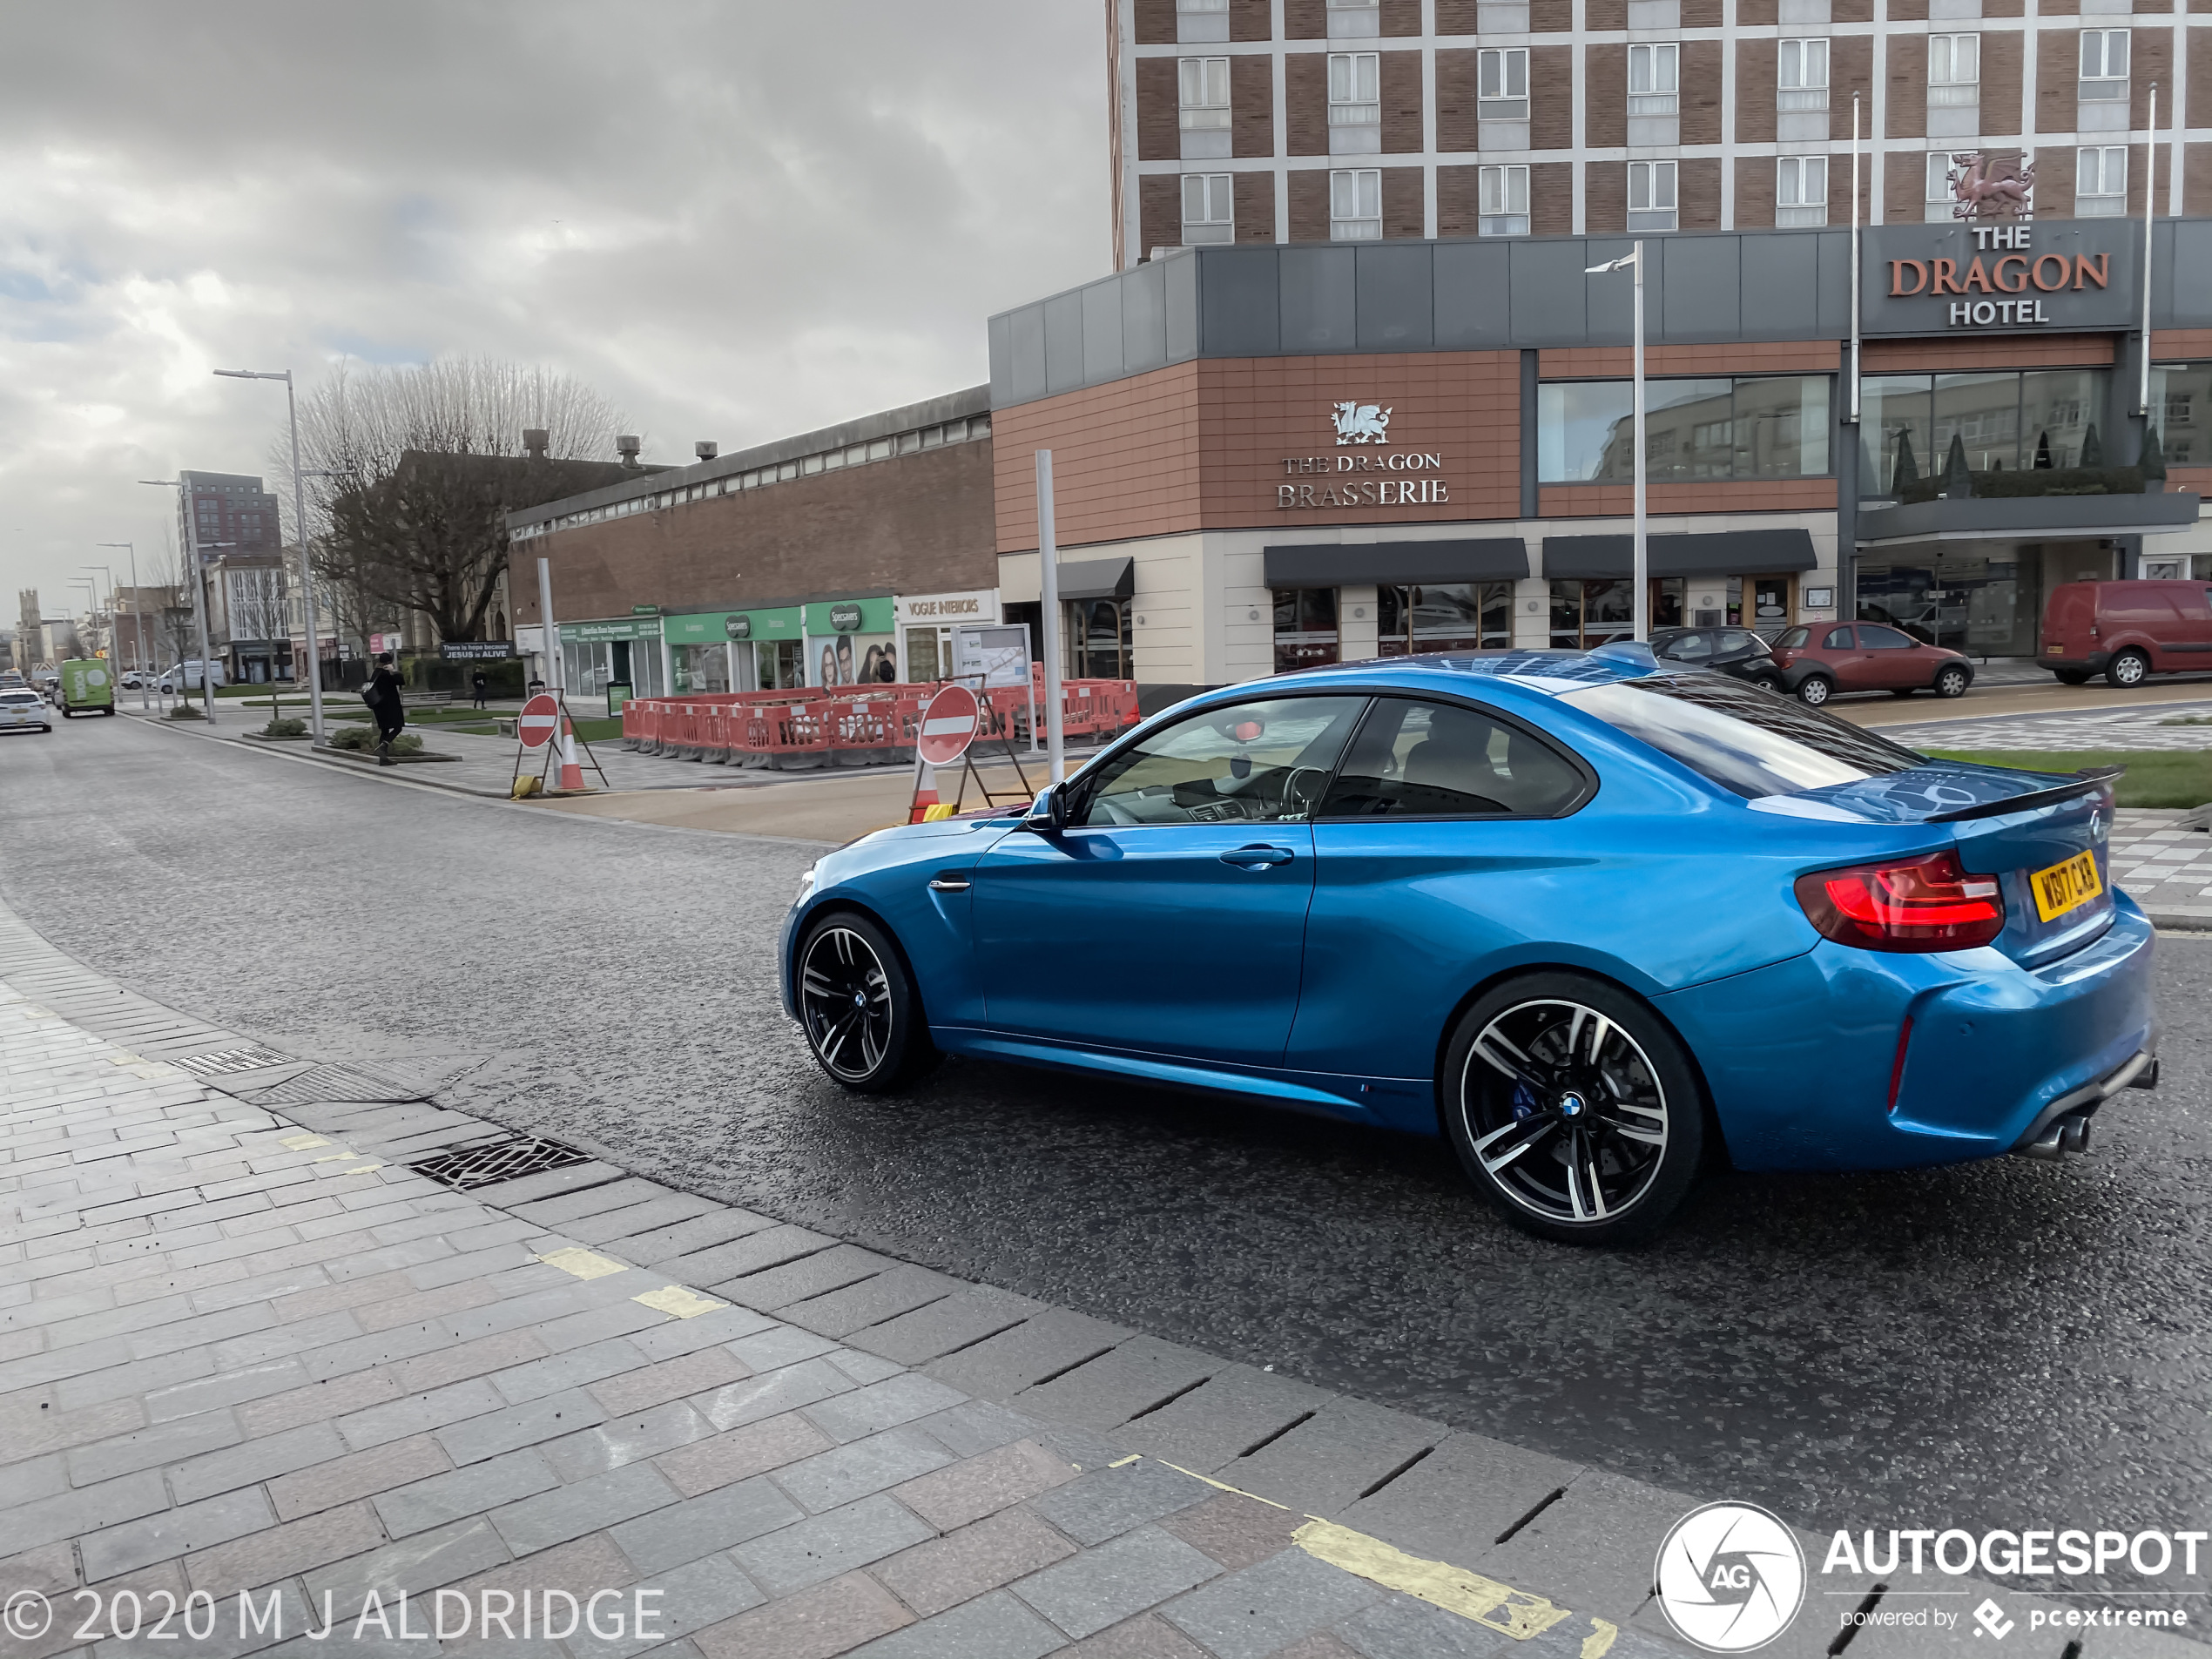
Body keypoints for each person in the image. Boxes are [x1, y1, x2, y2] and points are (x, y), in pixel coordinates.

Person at [364, 652, 405, 765]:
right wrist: (393, 671)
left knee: (385, 730)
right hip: (390, 706)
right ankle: (383, 746)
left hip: (379, 707)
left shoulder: (376, 673)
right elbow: (400, 681)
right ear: (388, 662)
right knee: (398, 728)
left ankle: (383, 758)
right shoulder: (387, 674)